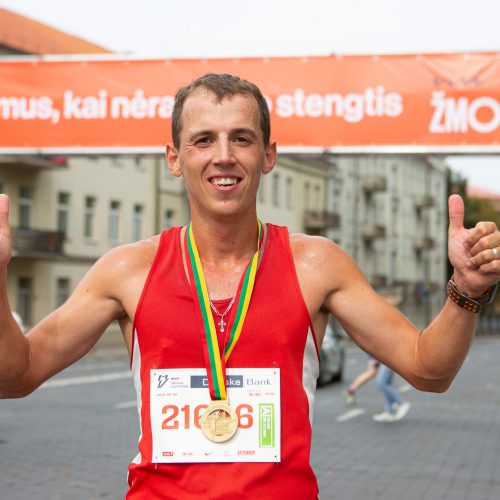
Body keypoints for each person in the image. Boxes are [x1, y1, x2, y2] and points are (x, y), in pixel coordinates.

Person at [0, 73, 499, 499]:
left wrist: (466, 289)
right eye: (202, 140)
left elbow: (428, 370)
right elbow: (15, 376)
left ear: (268, 155)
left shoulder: (316, 265)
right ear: (174, 158)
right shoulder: (127, 270)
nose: (223, 156)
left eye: (241, 138)